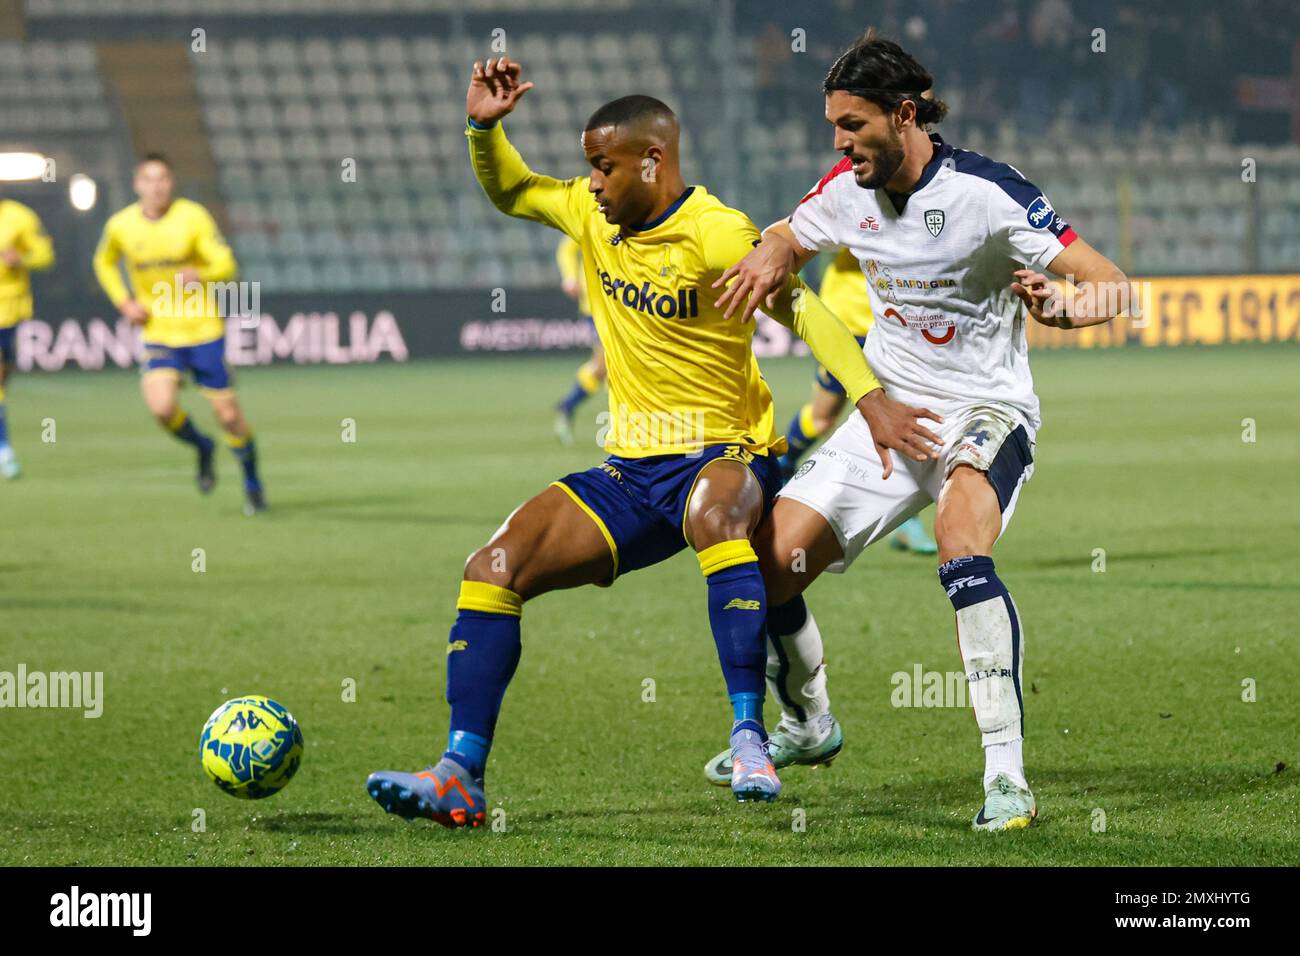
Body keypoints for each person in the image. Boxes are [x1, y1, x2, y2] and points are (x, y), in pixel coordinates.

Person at [366, 56, 936, 828]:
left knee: (714, 515)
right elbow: (510, 188)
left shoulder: (715, 233)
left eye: (604, 167)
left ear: (652, 159)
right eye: (588, 169)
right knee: (492, 567)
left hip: (729, 454)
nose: (593, 183)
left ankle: (748, 736)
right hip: (631, 473)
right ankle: (459, 772)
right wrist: (483, 128)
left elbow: (804, 315)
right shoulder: (588, 216)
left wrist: (869, 401)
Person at [705, 32, 1132, 830]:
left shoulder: (989, 193)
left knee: (960, 541)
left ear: (905, 115)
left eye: (853, 125)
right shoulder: (847, 185)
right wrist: (770, 252)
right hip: (891, 415)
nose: (839, 142)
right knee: (764, 570)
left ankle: (1006, 778)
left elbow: (1113, 287)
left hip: (985, 410)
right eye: (833, 125)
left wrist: (1065, 309)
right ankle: (809, 723)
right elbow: (790, 233)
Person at [93, 154, 265, 514]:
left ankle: (252, 482)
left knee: (230, 417)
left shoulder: (192, 217)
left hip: (202, 329)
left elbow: (226, 264)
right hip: (158, 330)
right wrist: (123, 301)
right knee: (161, 407)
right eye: (148, 179)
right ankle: (203, 446)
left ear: (172, 182)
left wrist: (201, 274)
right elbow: (104, 262)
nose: (156, 186)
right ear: (137, 184)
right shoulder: (121, 225)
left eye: (163, 179)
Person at [777, 246, 937, 555]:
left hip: (894, 329)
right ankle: (784, 465)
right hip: (844, 324)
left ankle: (907, 520)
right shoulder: (854, 203)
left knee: (896, 416)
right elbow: (825, 239)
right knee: (823, 416)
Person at [0, 196, 55, 479]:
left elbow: (46, 255)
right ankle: (5, 452)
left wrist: (21, 258)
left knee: (2, 382)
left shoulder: (19, 217)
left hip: (10, 312)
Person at [551, 235, 606, 445]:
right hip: (596, 306)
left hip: (630, 303)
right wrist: (571, 277)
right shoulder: (596, 213)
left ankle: (567, 406)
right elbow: (566, 247)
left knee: (603, 367)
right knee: (608, 363)